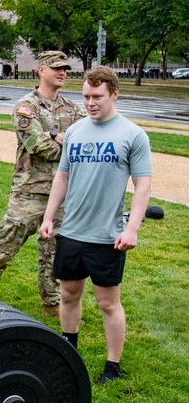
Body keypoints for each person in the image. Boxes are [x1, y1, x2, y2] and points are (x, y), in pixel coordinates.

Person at [39, 66, 152, 384]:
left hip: (108, 236)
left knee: (107, 302)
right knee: (69, 294)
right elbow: (62, 176)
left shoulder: (132, 135)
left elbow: (142, 186)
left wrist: (132, 229)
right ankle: (68, 351)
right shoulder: (74, 132)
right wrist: (49, 217)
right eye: (86, 96)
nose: (90, 102)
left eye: (97, 97)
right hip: (72, 232)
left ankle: (112, 367)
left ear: (114, 94)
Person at [0, 51, 85, 317]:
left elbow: (85, 142)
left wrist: (57, 136)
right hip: (29, 191)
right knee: (6, 244)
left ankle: (52, 303)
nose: (62, 73)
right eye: (56, 68)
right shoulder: (27, 106)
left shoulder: (72, 108)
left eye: (65, 69)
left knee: (55, 251)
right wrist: (66, 143)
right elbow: (36, 145)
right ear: (41, 70)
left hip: (61, 192)